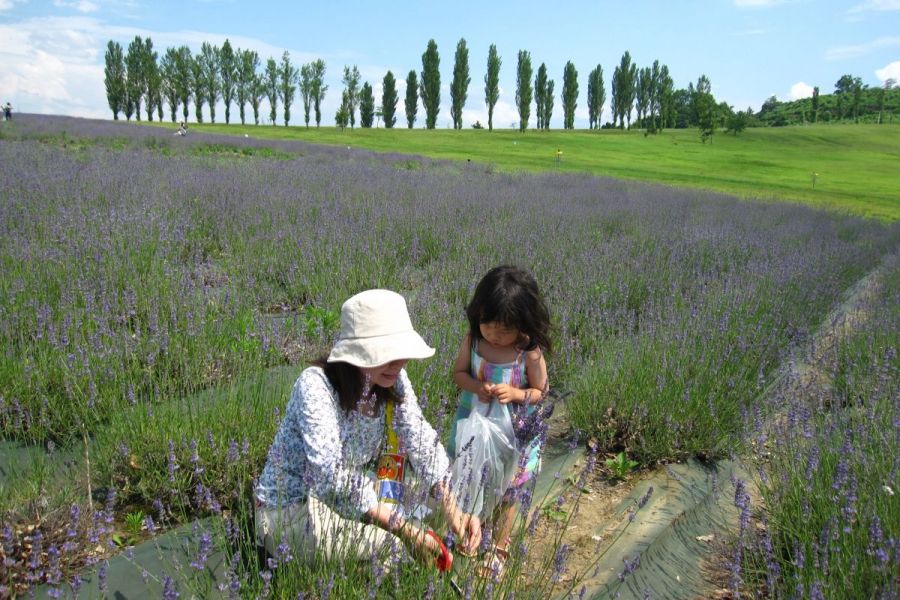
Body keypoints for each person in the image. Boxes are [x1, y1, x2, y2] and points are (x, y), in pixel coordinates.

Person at [255, 289, 481, 568]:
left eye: (403, 353)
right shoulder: (315, 386)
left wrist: (452, 507)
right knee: (394, 547)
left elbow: (419, 435)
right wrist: (402, 528)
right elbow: (327, 472)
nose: (400, 362)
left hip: (342, 499)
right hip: (290, 510)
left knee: (431, 508)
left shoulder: (392, 379)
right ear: (357, 353)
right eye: (388, 354)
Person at [450, 265, 551, 577]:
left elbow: (541, 391)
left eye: (504, 329)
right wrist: (477, 387)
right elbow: (458, 374)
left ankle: (498, 548)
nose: (494, 333)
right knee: (469, 476)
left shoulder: (528, 353)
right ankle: (466, 531)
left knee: (510, 489)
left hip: (516, 434)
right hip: (475, 424)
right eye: (487, 324)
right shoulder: (474, 341)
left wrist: (517, 394)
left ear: (523, 325)